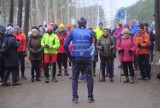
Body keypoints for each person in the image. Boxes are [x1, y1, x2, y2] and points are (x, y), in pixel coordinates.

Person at [64, 17, 95, 103]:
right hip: (87, 57)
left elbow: (65, 45)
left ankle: (75, 98)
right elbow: (91, 45)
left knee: (75, 77)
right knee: (89, 77)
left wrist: (70, 56)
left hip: (76, 57)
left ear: (78, 23)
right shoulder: (90, 32)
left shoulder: (73, 31)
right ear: (85, 23)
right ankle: (90, 97)